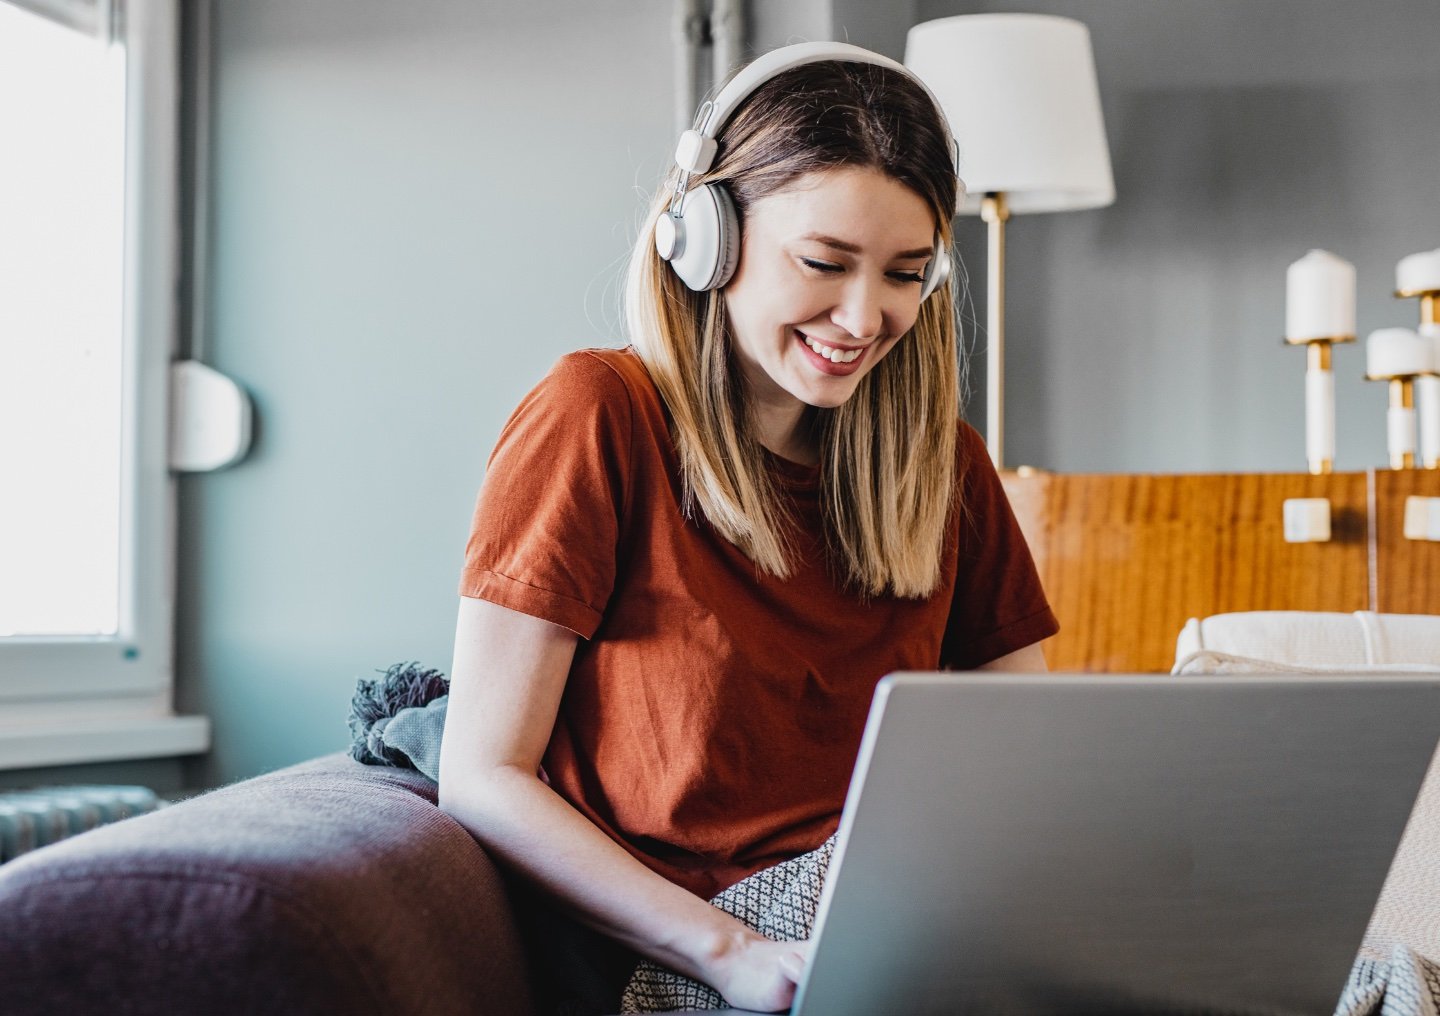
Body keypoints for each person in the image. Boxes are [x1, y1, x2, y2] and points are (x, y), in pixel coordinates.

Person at [437, 42, 1059, 1016]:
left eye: (905, 271)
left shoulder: (948, 466)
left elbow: (1027, 759)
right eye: (823, 262)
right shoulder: (598, 415)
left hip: (908, 925)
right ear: (705, 236)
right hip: (705, 951)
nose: (865, 315)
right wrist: (733, 951)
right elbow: (481, 774)